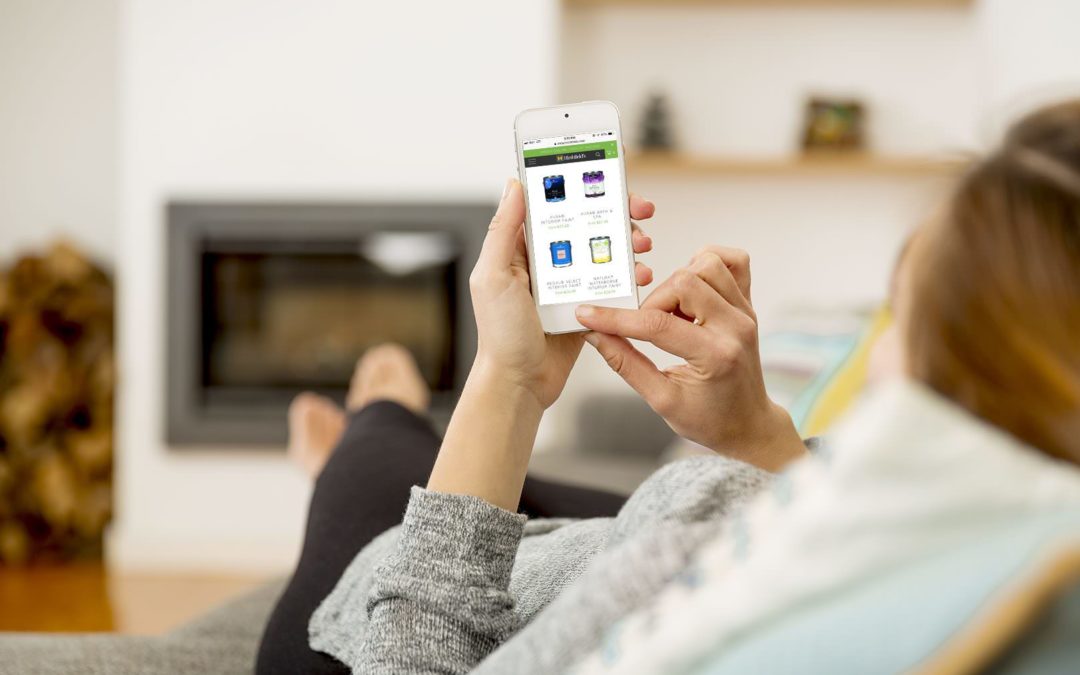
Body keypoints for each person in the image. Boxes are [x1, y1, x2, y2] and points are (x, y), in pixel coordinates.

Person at [258, 101, 1080, 674]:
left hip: (355, 628)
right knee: (519, 487)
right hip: (588, 546)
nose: (881, 351)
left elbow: (406, 652)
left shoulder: (694, 547)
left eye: (898, 316)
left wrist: (507, 380)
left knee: (379, 456)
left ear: (982, 371)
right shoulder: (994, 530)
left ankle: (370, 422)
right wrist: (759, 437)